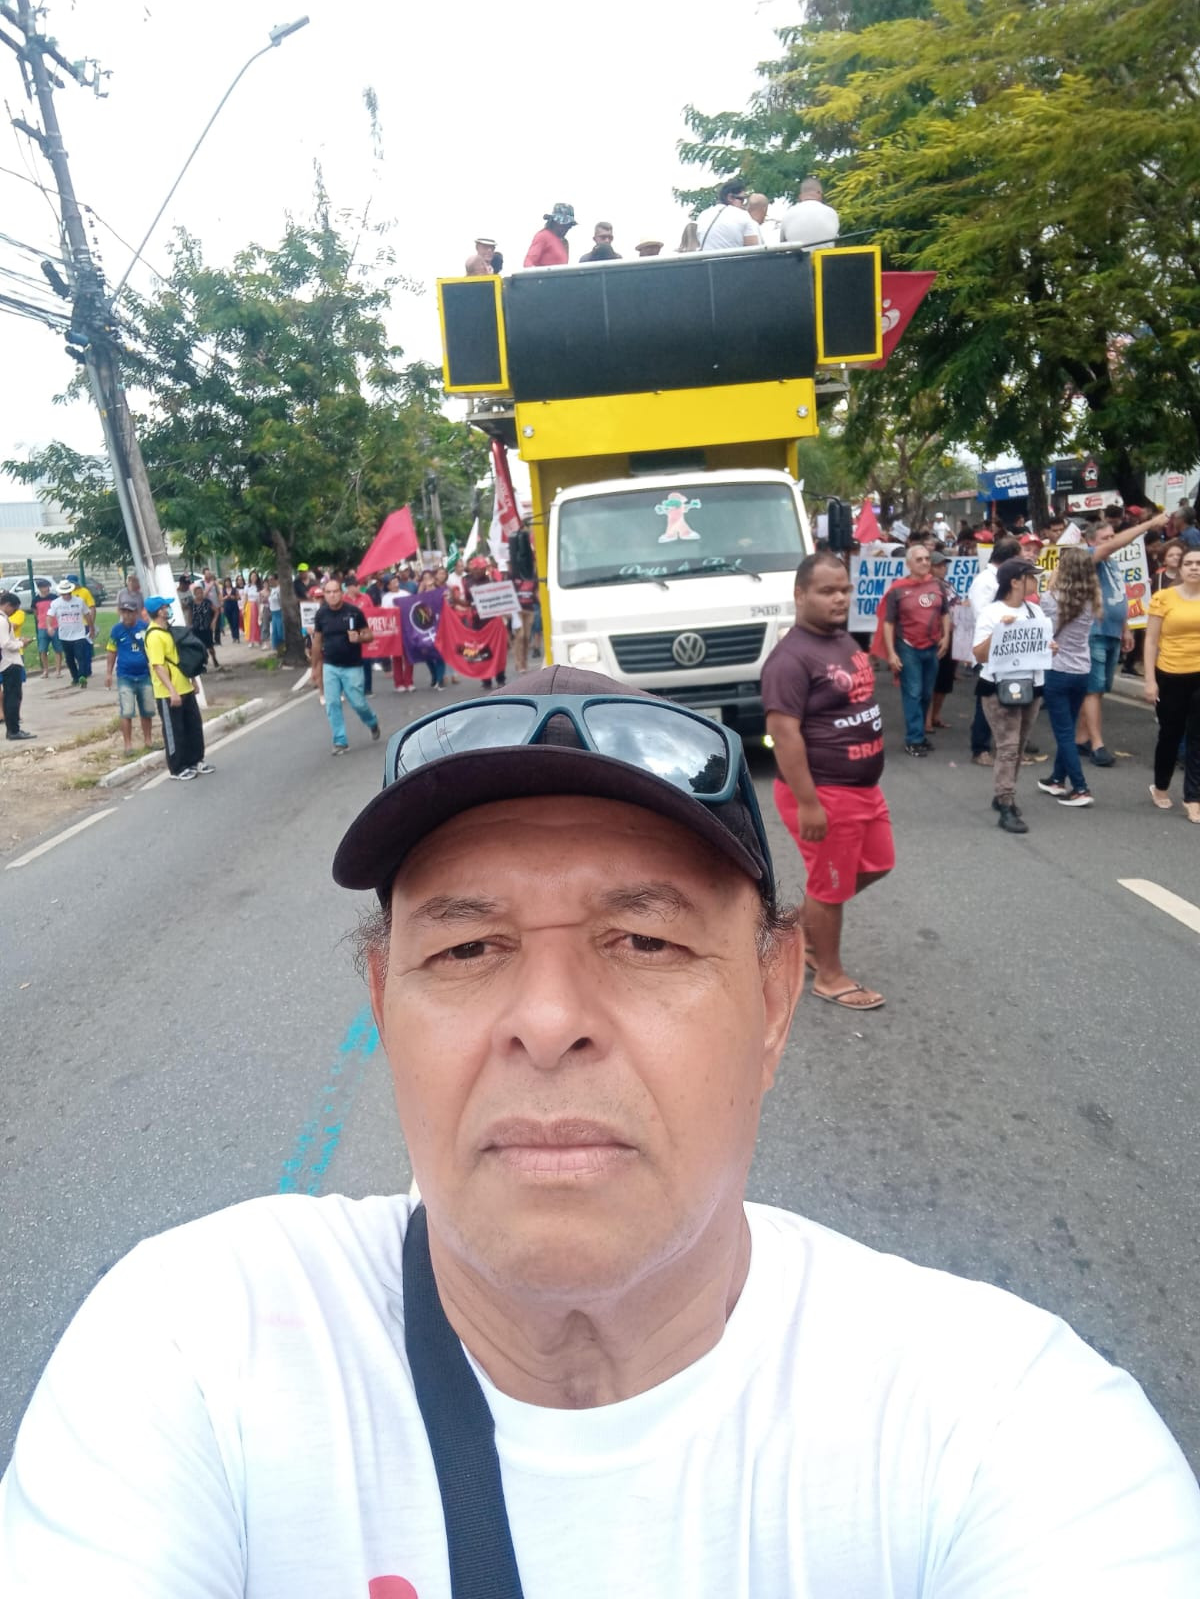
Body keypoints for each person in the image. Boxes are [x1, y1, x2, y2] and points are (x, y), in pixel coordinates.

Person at [7, 662, 1200, 1595]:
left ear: (775, 997)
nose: (547, 1022)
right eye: (467, 948)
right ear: (383, 1003)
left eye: (645, 941)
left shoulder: (997, 1428)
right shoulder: (198, 1352)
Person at [765, 553, 891, 1010]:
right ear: (800, 595)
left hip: (862, 789)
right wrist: (808, 803)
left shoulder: (842, 641)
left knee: (876, 865)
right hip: (823, 793)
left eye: (844, 589)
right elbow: (783, 733)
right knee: (830, 886)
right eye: (827, 591)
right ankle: (829, 976)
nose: (839, 599)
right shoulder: (790, 659)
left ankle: (799, 928)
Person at [1078, 508, 1170, 768]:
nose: (1111, 541)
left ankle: (1081, 737)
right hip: (1094, 631)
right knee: (1093, 689)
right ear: (1092, 541)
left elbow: (1120, 595)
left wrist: (1126, 629)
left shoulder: (1113, 563)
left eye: (1112, 536)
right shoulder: (1089, 556)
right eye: (1105, 538)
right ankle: (1097, 744)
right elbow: (1113, 547)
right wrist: (1149, 524)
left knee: (1099, 689)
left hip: (1112, 631)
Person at [972, 558, 1047, 834]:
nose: (1036, 581)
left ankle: (1005, 793)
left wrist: (1051, 646)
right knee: (1008, 746)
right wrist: (1000, 632)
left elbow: (1041, 647)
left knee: (1020, 744)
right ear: (1015, 581)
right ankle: (1005, 801)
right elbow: (978, 654)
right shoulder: (992, 613)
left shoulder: (1035, 611)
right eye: (1031, 576)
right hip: (999, 686)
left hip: (1032, 684)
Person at [1035, 547, 1103, 809]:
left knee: (1064, 733)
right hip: (1082, 670)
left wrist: (1052, 581)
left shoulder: (1051, 598)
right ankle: (1056, 778)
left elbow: (1046, 632)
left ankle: (1080, 787)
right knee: (1070, 725)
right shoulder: (1092, 598)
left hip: (1058, 669)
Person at [1144, 544, 1200, 822]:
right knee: (1171, 734)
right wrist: (1150, 680)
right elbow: (1151, 640)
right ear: (1180, 567)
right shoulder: (1164, 597)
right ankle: (1161, 786)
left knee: (1197, 737)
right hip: (1170, 674)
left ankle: (1193, 797)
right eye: (1189, 563)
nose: (1194, 567)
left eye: (1199, 563)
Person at [881, 543, 951, 757]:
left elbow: (945, 613)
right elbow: (888, 623)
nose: (924, 563)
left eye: (926, 559)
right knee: (913, 692)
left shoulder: (938, 586)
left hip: (932, 647)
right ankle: (914, 739)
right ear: (909, 564)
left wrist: (946, 637)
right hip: (908, 647)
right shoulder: (897, 589)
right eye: (919, 559)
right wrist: (891, 653)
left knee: (926, 693)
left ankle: (919, 733)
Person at [966, 535, 1022, 764]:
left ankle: (1010, 742)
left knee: (1012, 697)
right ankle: (980, 748)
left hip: (1009, 650)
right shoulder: (985, 582)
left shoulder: (1003, 579)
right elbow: (984, 617)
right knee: (987, 700)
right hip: (989, 649)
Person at [310, 577, 381, 756]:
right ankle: (340, 740)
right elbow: (317, 642)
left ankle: (371, 721)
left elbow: (369, 635)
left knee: (358, 703)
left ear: (341, 593)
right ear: (324, 595)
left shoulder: (354, 612)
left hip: (352, 665)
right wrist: (315, 667)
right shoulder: (321, 615)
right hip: (330, 665)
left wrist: (359, 637)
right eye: (329, 592)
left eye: (335, 592)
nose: (332, 595)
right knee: (332, 703)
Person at [144, 597, 212, 781]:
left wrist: (193, 680)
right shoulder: (154, 636)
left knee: (193, 726)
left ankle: (196, 760)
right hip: (168, 692)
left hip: (185, 686)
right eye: (166, 606)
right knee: (175, 730)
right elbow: (158, 666)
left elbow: (181, 657)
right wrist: (172, 691)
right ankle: (178, 767)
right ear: (159, 611)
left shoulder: (169, 631)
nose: (168, 609)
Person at [104, 600, 156, 755]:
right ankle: (128, 745)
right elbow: (111, 651)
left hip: (144, 675)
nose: (126, 615)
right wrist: (108, 673)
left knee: (147, 710)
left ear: (136, 613)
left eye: (130, 612)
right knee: (127, 711)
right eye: (124, 612)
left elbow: (151, 648)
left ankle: (148, 740)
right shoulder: (116, 630)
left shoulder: (144, 627)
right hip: (125, 675)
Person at [924, 548, 958, 734]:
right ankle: (927, 718)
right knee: (932, 678)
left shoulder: (949, 585)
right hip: (935, 636)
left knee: (945, 679)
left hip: (951, 635)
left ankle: (936, 715)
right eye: (938, 565)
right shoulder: (927, 586)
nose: (943, 568)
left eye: (944, 565)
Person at [47, 577, 93, 689]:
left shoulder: (79, 601)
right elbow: (49, 616)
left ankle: (82, 676)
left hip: (79, 634)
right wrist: (49, 626)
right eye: (64, 593)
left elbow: (87, 614)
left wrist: (91, 627)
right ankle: (75, 677)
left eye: (68, 592)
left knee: (80, 656)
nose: (66, 595)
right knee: (69, 658)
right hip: (64, 635)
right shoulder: (55, 603)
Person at [0, 591, 33, 741]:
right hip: (10, 662)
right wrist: (21, 643)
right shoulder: (2, 620)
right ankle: (13, 730)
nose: (14, 612)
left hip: (7, 662)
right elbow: (5, 644)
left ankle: (13, 729)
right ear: (7, 605)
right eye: (13, 609)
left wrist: (18, 639)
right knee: (13, 697)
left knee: (11, 697)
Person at [695, 178, 761, 251]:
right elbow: (754, 250)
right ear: (730, 197)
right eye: (742, 199)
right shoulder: (742, 215)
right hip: (732, 261)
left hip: (707, 261)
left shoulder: (703, 215)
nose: (743, 205)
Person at [778, 176, 840, 247]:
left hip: (799, 257)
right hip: (825, 257)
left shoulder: (788, 214)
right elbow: (836, 239)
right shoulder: (832, 213)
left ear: (800, 196)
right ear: (819, 193)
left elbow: (782, 245)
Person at [381, 574, 415, 692]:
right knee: (396, 657)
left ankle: (409, 681)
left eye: (396, 580)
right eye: (392, 581)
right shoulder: (386, 598)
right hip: (394, 630)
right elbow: (384, 613)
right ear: (388, 585)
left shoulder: (405, 594)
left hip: (406, 628)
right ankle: (399, 683)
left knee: (409, 657)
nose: (395, 582)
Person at [523, 203, 576, 268]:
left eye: (569, 225)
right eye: (564, 224)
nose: (567, 228)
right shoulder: (543, 236)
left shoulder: (564, 243)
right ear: (554, 222)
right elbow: (528, 262)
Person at [31, 576, 62, 678]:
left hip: (55, 625)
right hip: (42, 626)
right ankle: (45, 670)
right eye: (42, 587)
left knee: (58, 648)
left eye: (46, 586)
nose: (44, 589)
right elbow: (35, 612)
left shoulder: (54, 597)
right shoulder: (36, 599)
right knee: (42, 649)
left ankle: (58, 670)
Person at [190, 582, 220, 671]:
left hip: (206, 627)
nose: (199, 595)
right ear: (194, 594)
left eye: (201, 593)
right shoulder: (192, 603)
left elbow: (216, 611)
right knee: (199, 646)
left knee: (210, 645)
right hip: (196, 628)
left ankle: (214, 659)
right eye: (197, 593)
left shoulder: (207, 602)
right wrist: (190, 624)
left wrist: (213, 621)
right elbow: (190, 615)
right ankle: (202, 663)